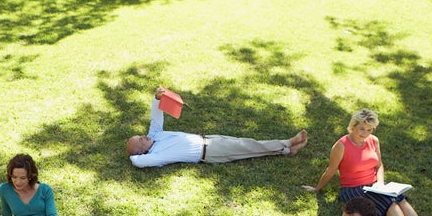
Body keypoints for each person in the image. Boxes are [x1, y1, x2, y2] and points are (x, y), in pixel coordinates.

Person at [302, 108, 432, 216]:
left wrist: (380, 183)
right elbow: (331, 170)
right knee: (391, 204)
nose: (365, 133)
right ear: (353, 126)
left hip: (375, 186)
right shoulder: (341, 145)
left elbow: (379, 165)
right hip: (353, 189)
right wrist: (317, 188)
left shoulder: (374, 141)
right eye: (361, 129)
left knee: (402, 201)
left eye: (369, 130)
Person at [126, 86, 308, 167]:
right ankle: (287, 143)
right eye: (140, 140)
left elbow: (156, 114)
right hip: (211, 153)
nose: (144, 136)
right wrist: (133, 155)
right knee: (250, 147)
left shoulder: (156, 134)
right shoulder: (156, 156)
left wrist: (157, 97)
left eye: (140, 135)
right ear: (141, 152)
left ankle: (286, 150)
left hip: (209, 140)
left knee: (248, 144)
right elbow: (137, 162)